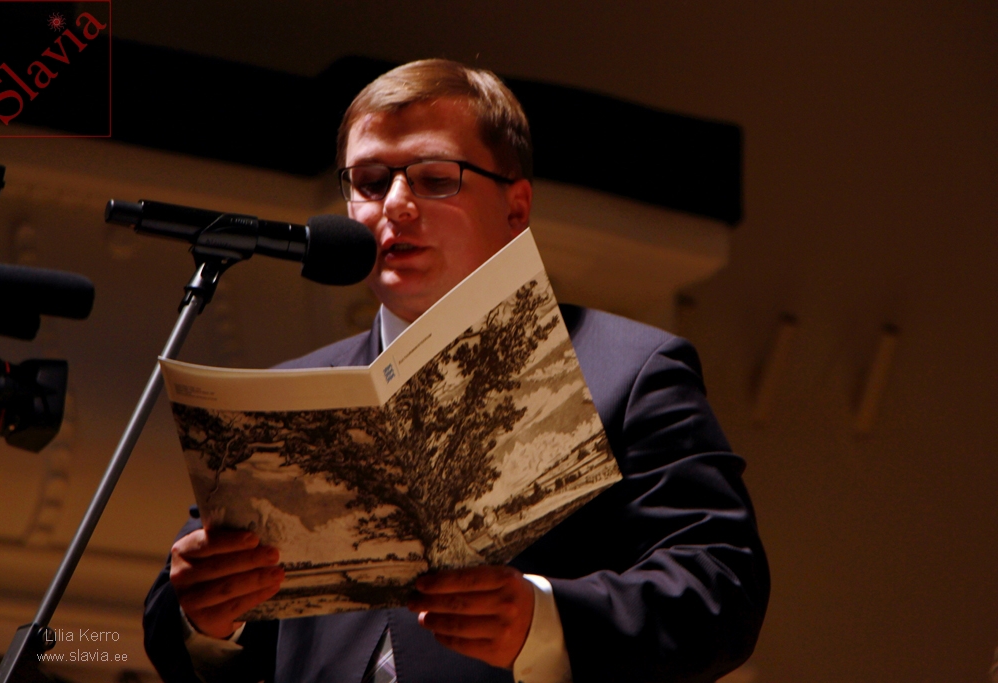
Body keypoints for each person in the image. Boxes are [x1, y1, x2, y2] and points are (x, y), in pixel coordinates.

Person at [144, 59, 770, 683]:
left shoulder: (628, 369)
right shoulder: (288, 395)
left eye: (436, 179)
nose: (395, 205)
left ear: (516, 208)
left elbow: (722, 588)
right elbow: (179, 632)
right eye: (369, 181)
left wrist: (541, 620)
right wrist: (206, 615)